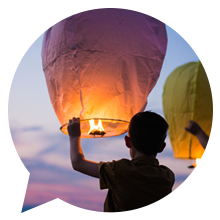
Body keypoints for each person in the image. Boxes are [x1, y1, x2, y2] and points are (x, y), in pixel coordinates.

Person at [67, 111, 175, 214]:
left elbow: (78, 163)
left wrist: (74, 136)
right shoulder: (168, 176)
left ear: (127, 142)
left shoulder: (120, 170)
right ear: (162, 147)